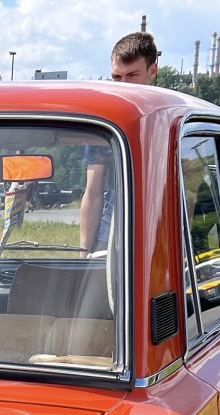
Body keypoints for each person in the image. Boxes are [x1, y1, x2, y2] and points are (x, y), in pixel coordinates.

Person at [79, 31, 158, 254]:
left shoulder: (169, 120)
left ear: (152, 71)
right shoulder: (104, 125)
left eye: (132, 75)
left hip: (160, 233)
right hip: (111, 234)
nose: (123, 85)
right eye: (116, 77)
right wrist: (83, 252)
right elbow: (93, 192)